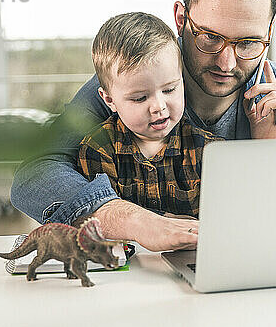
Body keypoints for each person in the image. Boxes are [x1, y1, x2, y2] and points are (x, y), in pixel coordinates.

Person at [11, 0, 276, 252]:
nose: (226, 62)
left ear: (269, 33)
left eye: (247, 43)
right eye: (210, 37)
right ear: (181, 19)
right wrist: (134, 220)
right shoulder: (131, 83)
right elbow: (33, 175)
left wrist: (273, 161)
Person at [79, 12, 221, 230]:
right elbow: (98, 222)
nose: (159, 106)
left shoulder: (210, 150)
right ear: (109, 100)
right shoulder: (98, 149)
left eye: (170, 89)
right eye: (140, 98)